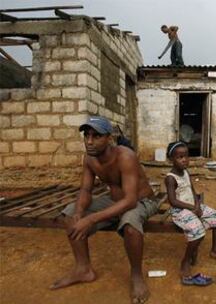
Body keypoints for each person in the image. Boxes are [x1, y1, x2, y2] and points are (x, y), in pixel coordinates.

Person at [50, 116, 161, 304]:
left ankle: (136, 275)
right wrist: (79, 212)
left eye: (96, 136)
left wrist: (91, 219)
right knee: (69, 215)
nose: (90, 141)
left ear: (109, 138)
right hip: (115, 200)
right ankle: (83, 269)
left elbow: (130, 200)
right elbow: (86, 190)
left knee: (130, 226)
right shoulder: (89, 159)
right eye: (87, 135)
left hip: (141, 201)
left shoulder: (125, 156)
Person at [165, 141, 216, 286]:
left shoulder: (186, 172)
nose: (184, 160)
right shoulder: (170, 178)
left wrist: (197, 205)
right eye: (179, 157)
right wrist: (192, 207)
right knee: (198, 231)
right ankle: (185, 263)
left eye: (186, 156)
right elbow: (173, 201)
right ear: (171, 159)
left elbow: (193, 191)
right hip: (180, 211)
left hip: (193, 206)